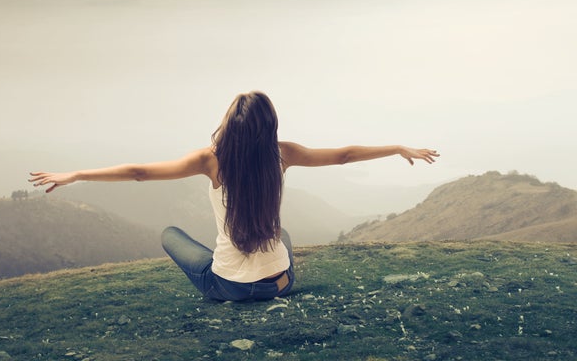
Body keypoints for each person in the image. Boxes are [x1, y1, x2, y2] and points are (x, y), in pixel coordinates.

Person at [29, 91, 438, 302]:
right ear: (270, 126)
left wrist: (77, 174)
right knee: (283, 237)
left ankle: (227, 275)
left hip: (230, 288)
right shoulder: (283, 154)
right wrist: (398, 147)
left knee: (171, 234)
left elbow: (138, 173)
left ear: (228, 124)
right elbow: (345, 156)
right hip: (282, 283)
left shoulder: (212, 161)